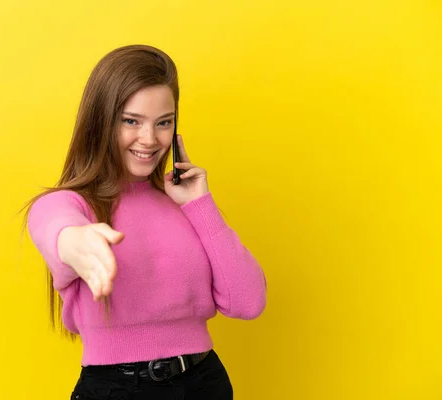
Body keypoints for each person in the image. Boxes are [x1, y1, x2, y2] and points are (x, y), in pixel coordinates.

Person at [24, 44, 267, 400]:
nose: (150, 140)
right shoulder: (71, 205)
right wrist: (73, 242)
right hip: (117, 389)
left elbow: (248, 302)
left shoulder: (184, 205)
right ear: (101, 121)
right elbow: (51, 223)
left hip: (204, 382)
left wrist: (202, 206)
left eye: (164, 122)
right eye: (131, 121)